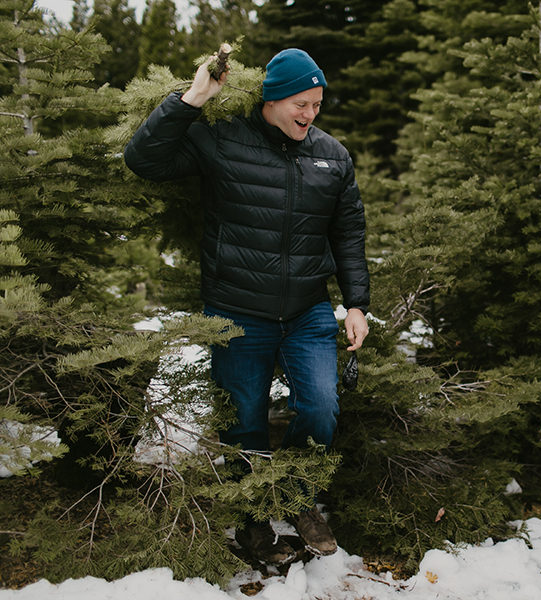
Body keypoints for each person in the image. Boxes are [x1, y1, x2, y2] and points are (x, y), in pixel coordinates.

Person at [124, 48, 370, 564]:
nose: (310, 114)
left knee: (322, 408)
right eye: (300, 103)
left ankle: (300, 498)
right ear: (272, 99)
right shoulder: (222, 137)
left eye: (318, 104)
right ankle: (253, 518)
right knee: (244, 423)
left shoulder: (333, 156)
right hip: (237, 309)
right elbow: (143, 159)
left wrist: (356, 304)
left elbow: (348, 233)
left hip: (306, 310)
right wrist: (193, 99)